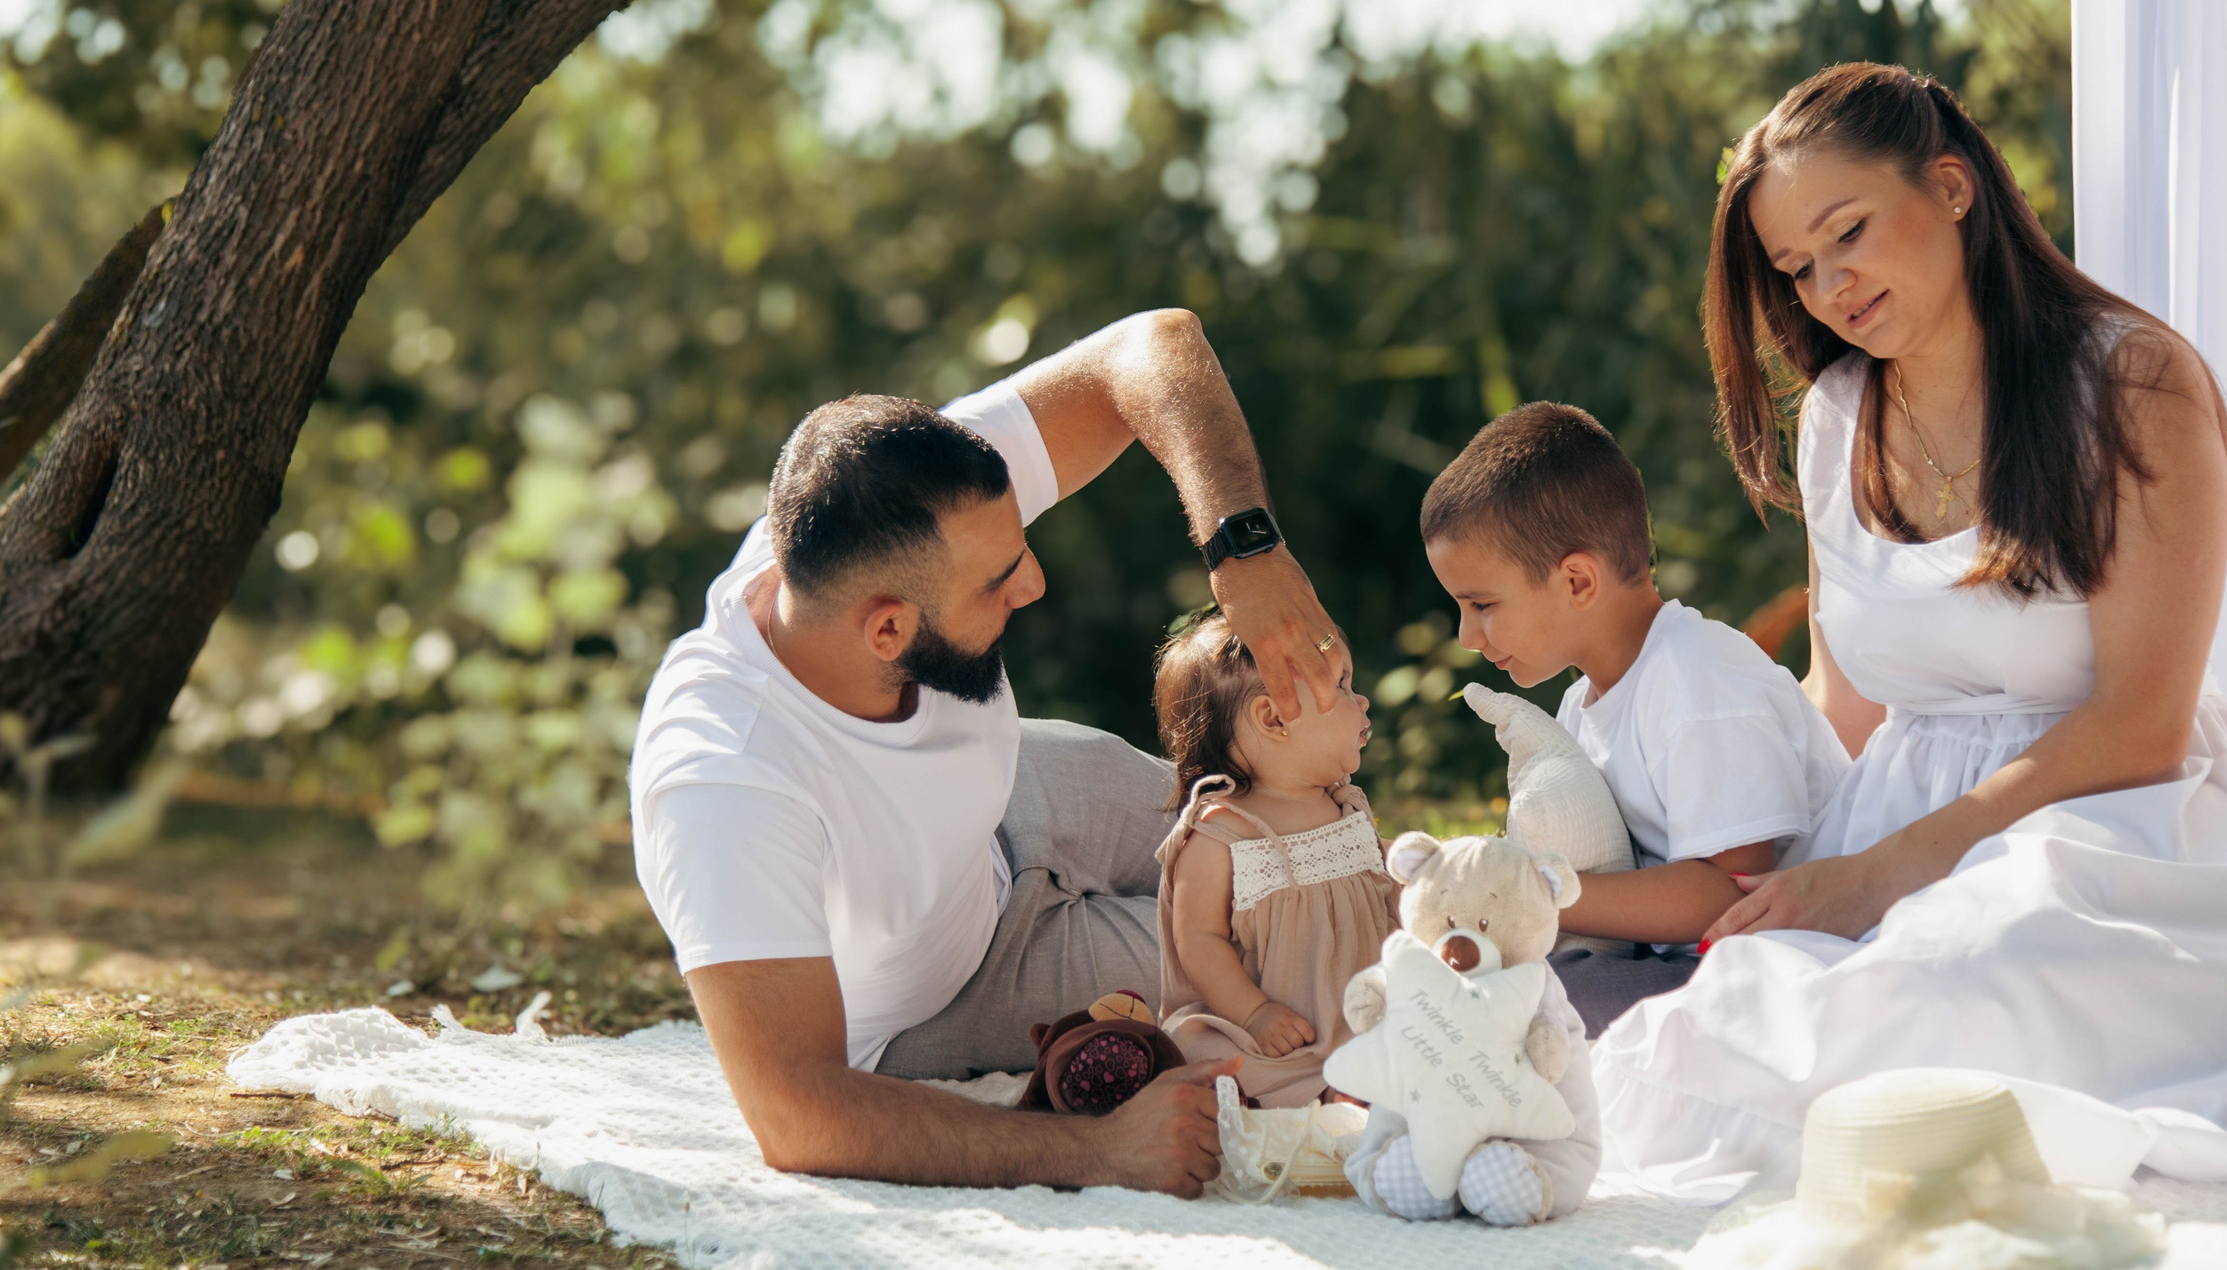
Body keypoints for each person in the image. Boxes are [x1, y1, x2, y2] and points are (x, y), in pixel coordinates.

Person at [1591, 62, 2227, 1203]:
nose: (1829, 285)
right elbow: (1843, 704)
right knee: (1752, 999)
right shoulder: (1833, 421)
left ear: (1950, 188)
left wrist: (1887, 876)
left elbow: (2139, 725)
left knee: (1977, 963)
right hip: (1897, 822)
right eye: (1797, 266)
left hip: (2115, 825)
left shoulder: (2132, 385)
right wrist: (1761, 863)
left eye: (1848, 233)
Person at [627, 310, 1351, 1196]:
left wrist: (1245, 550)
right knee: (1302, 974)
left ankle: (1554, 912)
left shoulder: (905, 504)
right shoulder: (725, 785)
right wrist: (1099, 1154)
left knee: (1332, 854)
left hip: (1019, 792)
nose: (1034, 579)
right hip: (954, 984)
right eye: (1001, 576)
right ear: (887, 628)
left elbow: (1151, 344)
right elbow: (795, 1110)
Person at [1418, 401, 1848, 1035]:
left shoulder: (1699, 680)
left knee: (1523, 1016)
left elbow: (1734, 893)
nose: (1466, 636)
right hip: (1674, 965)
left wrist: (1533, 897)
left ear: (1578, 582)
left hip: (1776, 971)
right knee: (1461, 993)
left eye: (1481, 604)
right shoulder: (1580, 704)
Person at [1150, 606, 1400, 1107]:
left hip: (1367, 1010)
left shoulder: (1341, 803)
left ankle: (1359, 1079)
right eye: (1344, 687)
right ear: (1273, 718)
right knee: (1208, 1052)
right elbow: (1199, 940)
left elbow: (1377, 886)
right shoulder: (1221, 833)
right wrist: (1254, 1013)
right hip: (1281, 1027)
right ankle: (1317, 1090)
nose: (1362, 700)